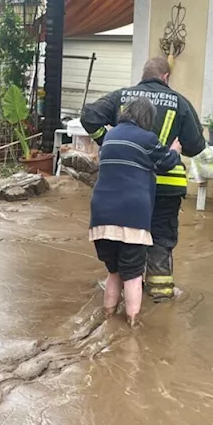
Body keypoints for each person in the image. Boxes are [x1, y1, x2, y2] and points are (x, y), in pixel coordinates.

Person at [82, 56, 204, 301]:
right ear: (166, 77)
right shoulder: (180, 103)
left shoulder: (122, 97)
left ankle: (121, 286)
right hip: (166, 185)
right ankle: (159, 295)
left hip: (126, 186)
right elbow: (196, 145)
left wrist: (106, 141)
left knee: (125, 238)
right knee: (160, 237)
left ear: (143, 74)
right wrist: (173, 150)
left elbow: (89, 116)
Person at [89, 98, 182, 324]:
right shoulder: (147, 139)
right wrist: (175, 150)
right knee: (132, 276)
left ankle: (108, 318)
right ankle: (132, 327)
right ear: (147, 118)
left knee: (114, 273)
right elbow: (166, 162)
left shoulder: (110, 136)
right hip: (132, 219)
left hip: (100, 217)